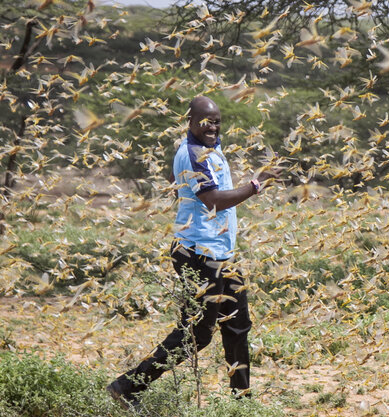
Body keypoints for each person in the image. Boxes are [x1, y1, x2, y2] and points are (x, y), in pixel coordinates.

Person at [107, 96, 277, 407]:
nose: (213, 126)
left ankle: (242, 402)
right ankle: (127, 386)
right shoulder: (193, 153)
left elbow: (174, 181)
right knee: (198, 332)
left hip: (221, 254)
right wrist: (255, 185)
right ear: (191, 122)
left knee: (238, 325)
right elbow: (212, 200)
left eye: (216, 121)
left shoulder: (207, 148)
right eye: (206, 121)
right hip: (198, 254)